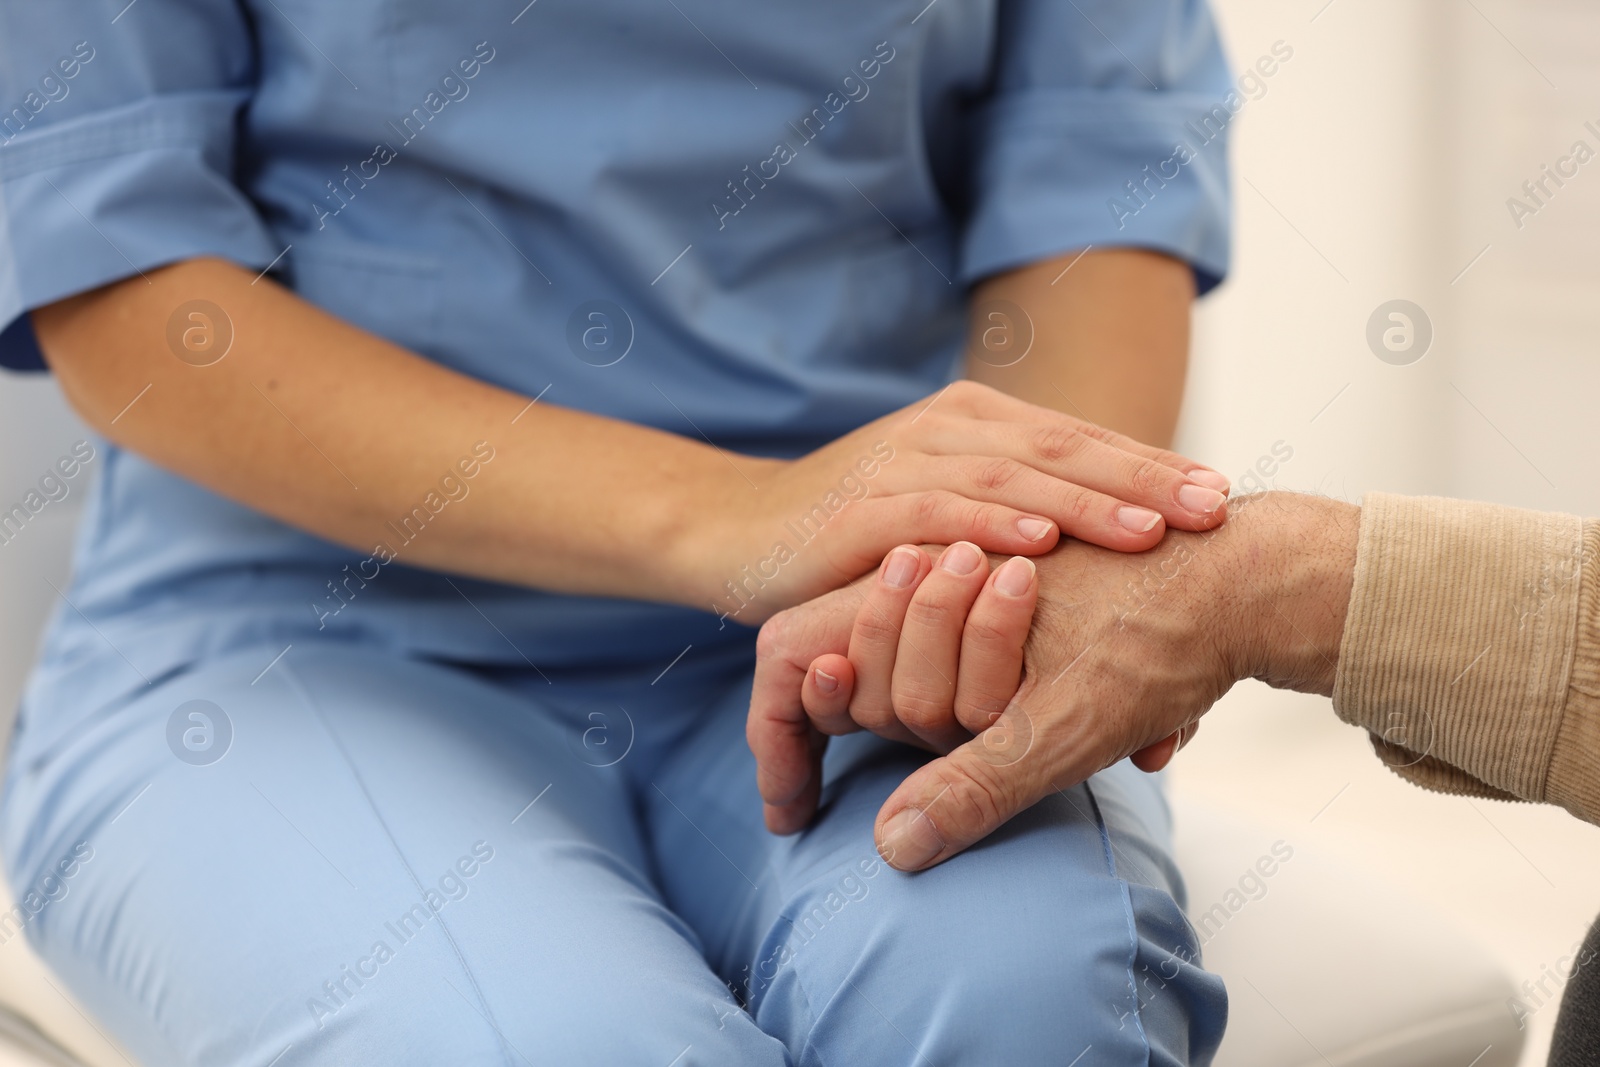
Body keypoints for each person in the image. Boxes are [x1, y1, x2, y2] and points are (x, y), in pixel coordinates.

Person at [0, 2, 1246, 1063]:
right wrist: (740, 515)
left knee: (1033, 1006)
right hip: (300, 635)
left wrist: (985, 572)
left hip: (860, 626)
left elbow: (1097, 194)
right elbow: (129, 287)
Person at [750, 488, 1600, 1057]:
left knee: (1035, 987)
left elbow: (1069, 439)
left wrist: (1265, 583)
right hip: (675, 664)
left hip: (924, 658)